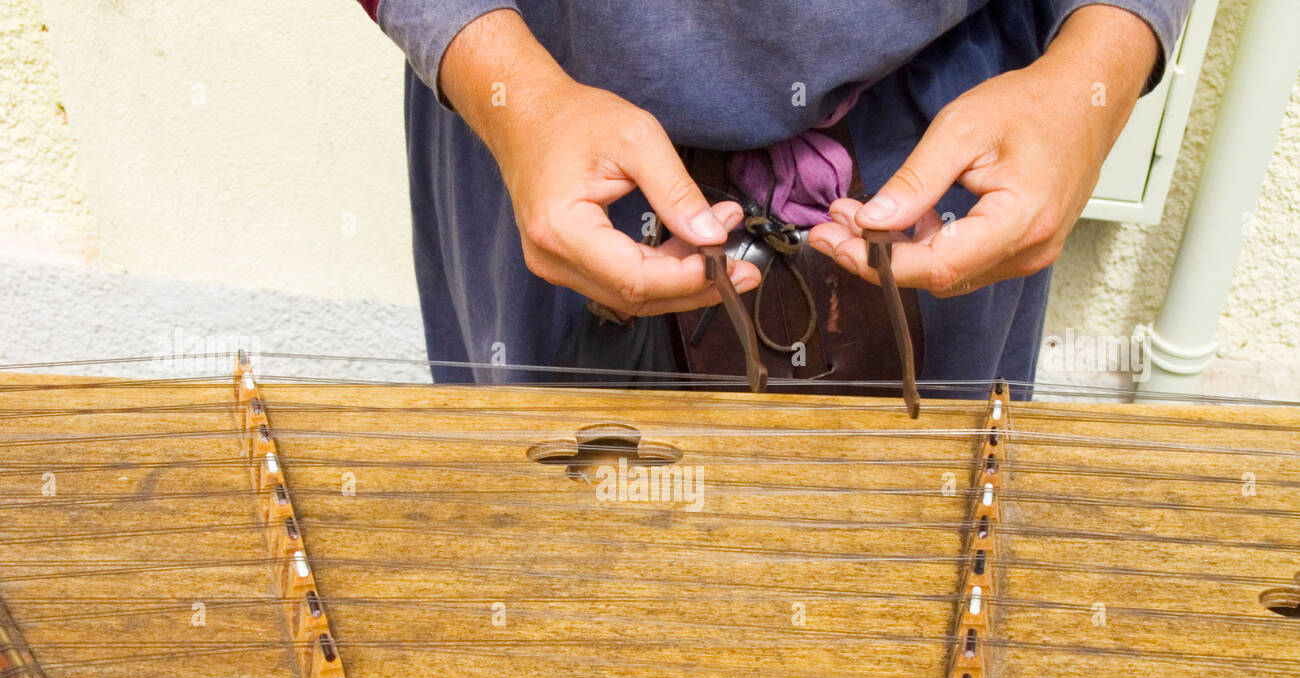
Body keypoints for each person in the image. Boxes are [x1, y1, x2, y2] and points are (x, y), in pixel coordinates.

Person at [357, 1, 1192, 389]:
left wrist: (1094, 70)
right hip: (542, 116)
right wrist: (508, 85)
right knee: (568, 575)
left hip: (946, 148)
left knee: (914, 595)